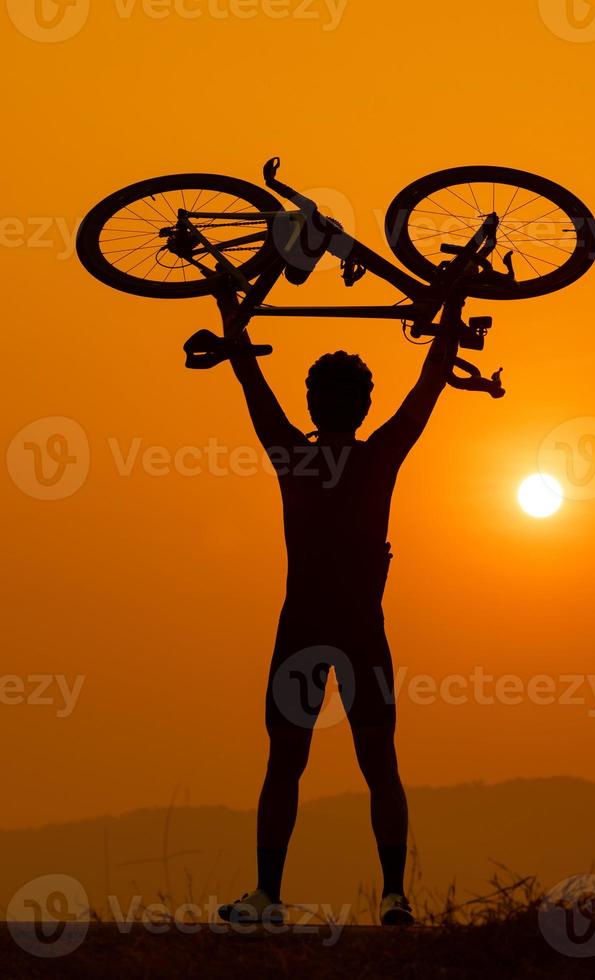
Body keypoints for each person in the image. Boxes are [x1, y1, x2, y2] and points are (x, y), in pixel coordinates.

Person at [212, 286, 459, 929]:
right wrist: (452, 312)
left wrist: (227, 310)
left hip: (309, 630)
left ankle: (281, 894)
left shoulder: (296, 454)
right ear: (360, 405)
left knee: (297, 762)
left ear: (317, 404)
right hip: (352, 632)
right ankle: (389, 896)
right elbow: (428, 386)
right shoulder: (377, 456)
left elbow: (250, 378)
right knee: (373, 760)